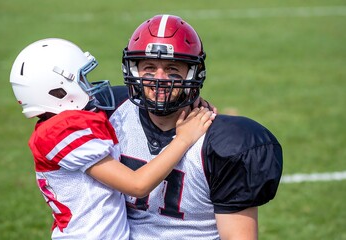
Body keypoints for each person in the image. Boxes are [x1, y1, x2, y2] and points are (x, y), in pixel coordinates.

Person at [9, 38, 215, 239]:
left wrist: (184, 98)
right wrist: (183, 139)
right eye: (82, 79)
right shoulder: (60, 132)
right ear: (58, 90)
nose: (89, 86)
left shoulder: (64, 123)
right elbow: (137, 185)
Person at [108, 14, 283, 239]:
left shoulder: (225, 143)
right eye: (149, 68)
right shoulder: (109, 111)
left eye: (172, 70)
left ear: (193, 74)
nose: (159, 79)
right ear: (133, 71)